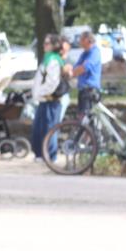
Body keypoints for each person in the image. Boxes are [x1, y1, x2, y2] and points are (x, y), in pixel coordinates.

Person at [31, 34, 63, 162]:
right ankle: (40, 154)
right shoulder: (47, 59)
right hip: (43, 100)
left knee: (49, 129)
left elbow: (52, 83)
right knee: (39, 128)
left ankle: (49, 155)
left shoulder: (53, 60)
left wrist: (39, 92)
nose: (44, 46)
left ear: (54, 46)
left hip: (50, 100)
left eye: (47, 43)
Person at [67, 30, 102, 114]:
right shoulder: (84, 54)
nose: (79, 42)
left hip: (90, 91)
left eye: (81, 39)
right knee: (82, 116)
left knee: (86, 118)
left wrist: (72, 73)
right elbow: (76, 68)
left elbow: (83, 68)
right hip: (83, 90)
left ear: (88, 40)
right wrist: (73, 71)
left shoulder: (95, 52)